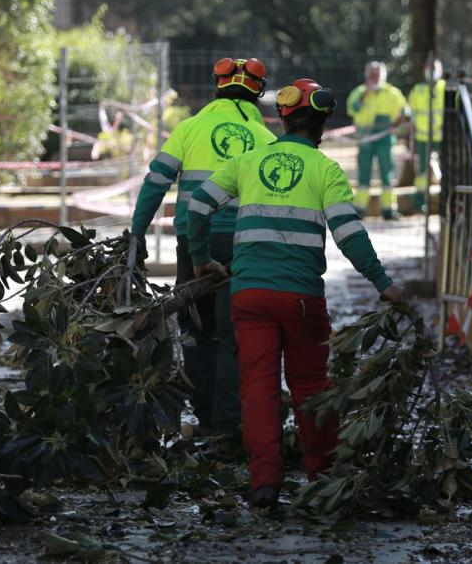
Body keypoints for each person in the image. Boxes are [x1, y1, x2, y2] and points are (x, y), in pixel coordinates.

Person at [187, 78, 405, 508]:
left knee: (258, 389)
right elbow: (349, 235)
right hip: (302, 299)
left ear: (281, 118)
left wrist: (200, 261)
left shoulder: (249, 161)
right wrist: (384, 285)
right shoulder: (326, 170)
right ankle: (322, 479)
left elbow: (197, 205)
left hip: (248, 296)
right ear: (322, 123)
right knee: (310, 387)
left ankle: (264, 484)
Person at [130, 57, 278, 436]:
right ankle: (228, 426)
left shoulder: (190, 128)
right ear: (257, 92)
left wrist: (136, 233)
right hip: (244, 246)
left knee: (197, 331)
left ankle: (207, 416)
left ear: (217, 86)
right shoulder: (266, 139)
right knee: (233, 335)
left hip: (193, 242)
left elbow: (155, 182)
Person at [346, 61, 408, 220]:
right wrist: (364, 95)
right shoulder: (359, 92)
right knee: (364, 174)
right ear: (367, 76)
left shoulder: (392, 93)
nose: (374, 78)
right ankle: (359, 209)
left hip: (385, 139)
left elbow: (404, 112)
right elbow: (351, 109)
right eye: (372, 75)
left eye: (377, 75)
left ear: (383, 76)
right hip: (365, 139)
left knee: (387, 173)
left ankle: (388, 209)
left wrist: (399, 122)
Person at [407, 59, 445, 213]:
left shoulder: (445, 88)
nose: (431, 71)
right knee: (422, 170)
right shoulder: (417, 90)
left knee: (446, 168)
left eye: (434, 68)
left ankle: (445, 199)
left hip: (441, 136)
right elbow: (410, 111)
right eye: (428, 68)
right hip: (422, 137)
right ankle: (419, 201)